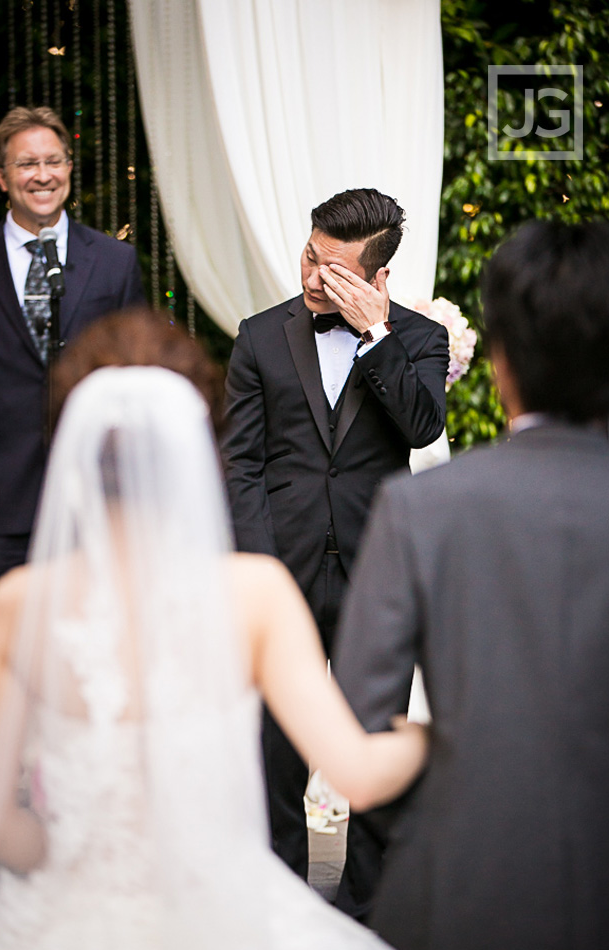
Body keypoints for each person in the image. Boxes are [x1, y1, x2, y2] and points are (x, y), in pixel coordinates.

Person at [0, 359, 427, 950]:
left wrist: (67, 854)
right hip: (222, 916)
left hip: (62, 923)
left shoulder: (17, 605)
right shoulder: (255, 594)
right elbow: (359, 774)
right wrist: (424, 738)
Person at [332, 219, 609, 950]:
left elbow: (359, 727)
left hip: (455, 895)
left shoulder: (421, 508)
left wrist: (458, 787)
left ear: (497, 360)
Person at [221, 187, 449, 909]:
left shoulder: (417, 339)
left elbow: (419, 429)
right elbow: (241, 464)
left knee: (369, 742)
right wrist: (261, 572)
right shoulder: (258, 336)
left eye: (336, 270)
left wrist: (378, 336)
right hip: (279, 574)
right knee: (275, 752)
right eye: (309, 257)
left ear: (377, 278)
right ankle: (278, 901)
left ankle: (368, 910)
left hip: (373, 578)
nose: (313, 278)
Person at [0, 105, 145, 614]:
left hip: (92, 497)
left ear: (70, 168)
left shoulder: (115, 262)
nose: (43, 175)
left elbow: (133, 372)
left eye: (55, 160)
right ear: (1, 177)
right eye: (28, 164)